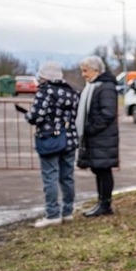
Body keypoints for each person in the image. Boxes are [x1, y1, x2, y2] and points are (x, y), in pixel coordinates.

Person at [21, 61, 79, 227]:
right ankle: (68, 212)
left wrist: (27, 116)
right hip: (69, 138)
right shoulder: (72, 92)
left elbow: (36, 117)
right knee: (67, 177)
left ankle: (52, 214)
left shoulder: (45, 92)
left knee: (50, 177)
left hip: (50, 139)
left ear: (44, 76)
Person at [76, 56, 120, 217]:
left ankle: (105, 204)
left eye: (85, 71)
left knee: (104, 170)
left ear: (96, 70)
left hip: (103, 138)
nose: (83, 74)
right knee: (99, 170)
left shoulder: (105, 88)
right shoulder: (94, 87)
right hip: (98, 138)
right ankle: (101, 202)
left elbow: (107, 113)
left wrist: (90, 129)